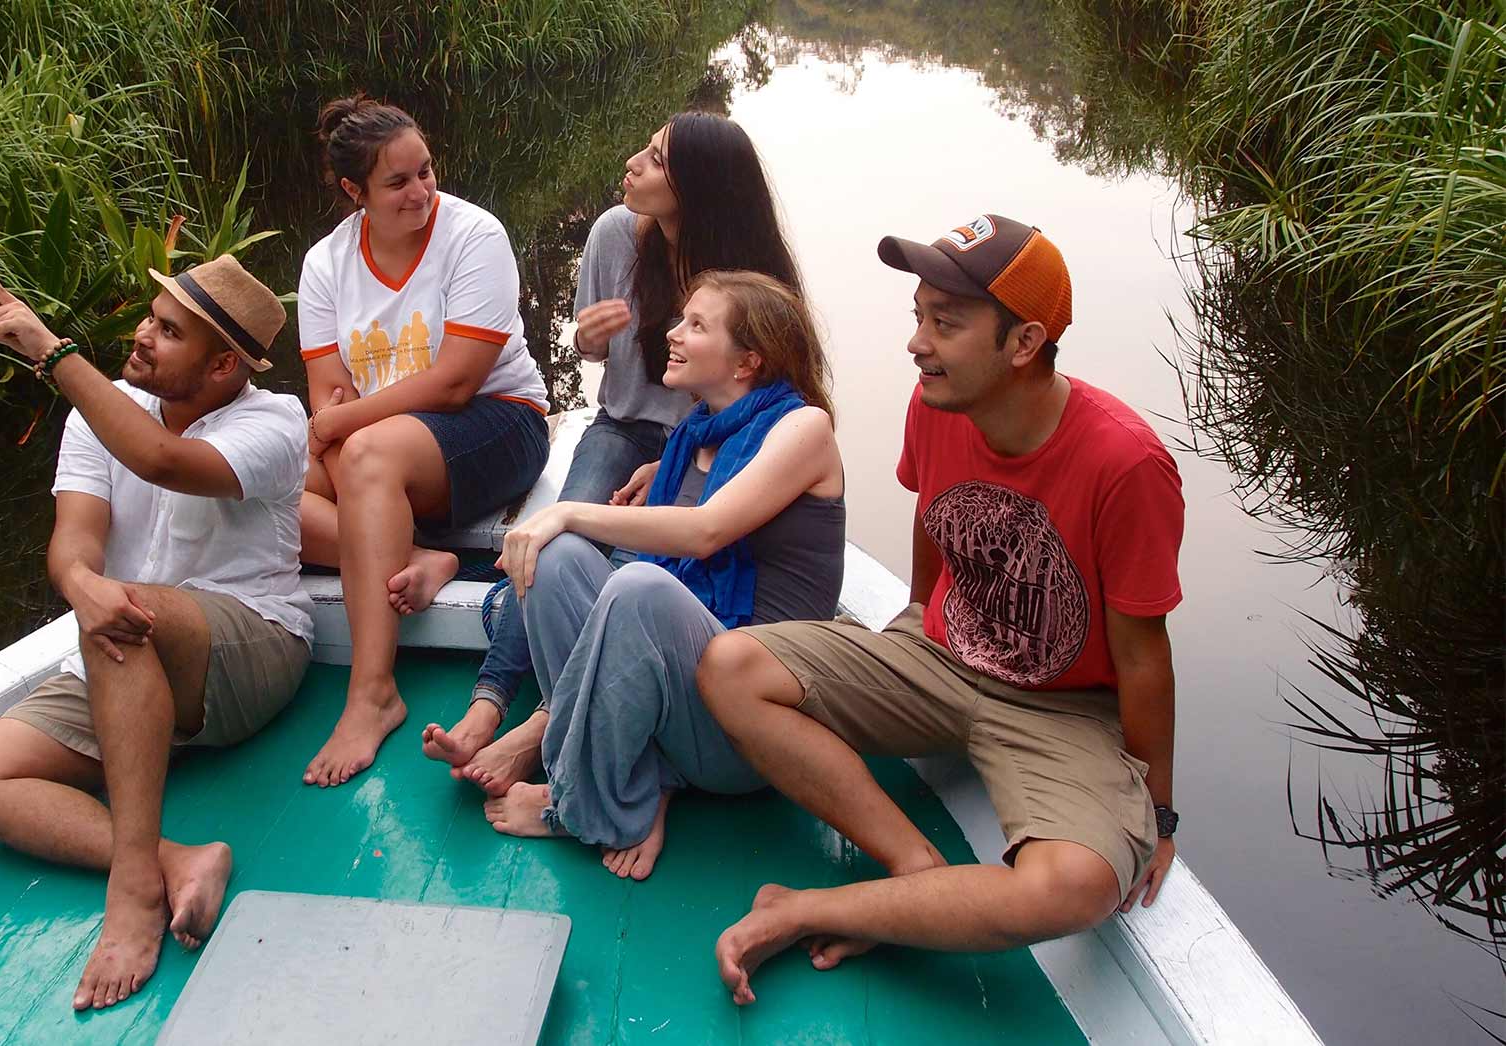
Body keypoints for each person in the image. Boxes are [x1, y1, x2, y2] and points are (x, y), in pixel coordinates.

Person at [698, 215, 1184, 1006]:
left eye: (946, 324)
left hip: (1060, 710)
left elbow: (1143, 657)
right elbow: (938, 521)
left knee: (1072, 886)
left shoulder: (1125, 464)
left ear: (1024, 343)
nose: (918, 343)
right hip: (939, 659)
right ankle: (914, 868)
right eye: (917, 316)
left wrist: (1156, 813)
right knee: (731, 664)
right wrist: (918, 620)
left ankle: (814, 908)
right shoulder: (937, 403)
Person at [0, 258, 314, 1010]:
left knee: (125, 611)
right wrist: (81, 587)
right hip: (126, 654)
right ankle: (175, 860)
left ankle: (131, 891)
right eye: (150, 316)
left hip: (249, 646)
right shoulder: (96, 415)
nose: (142, 336)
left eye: (167, 331)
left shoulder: (275, 422)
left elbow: (162, 459)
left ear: (221, 365)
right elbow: (73, 543)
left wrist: (53, 353)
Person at [421, 111, 805, 786]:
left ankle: (542, 727)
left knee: (634, 556)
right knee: (547, 535)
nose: (632, 163)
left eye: (655, 160)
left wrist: (678, 463)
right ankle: (490, 702)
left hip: (707, 446)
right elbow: (588, 349)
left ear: (699, 188)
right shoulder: (613, 234)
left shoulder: (751, 277)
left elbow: (769, 404)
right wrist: (587, 340)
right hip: (624, 424)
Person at [477, 271, 844, 882]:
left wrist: (565, 508)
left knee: (637, 587)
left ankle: (584, 803)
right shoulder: (693, 437)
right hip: (686, 702)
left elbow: (705, 531)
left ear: (748, 360)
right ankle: (638, 782)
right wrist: (564, 529)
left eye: (697, 326)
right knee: (560, 559)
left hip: (750, 725)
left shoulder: (804, 430)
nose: (672, 334)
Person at [295, 94, 551, 788]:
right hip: (382, 446)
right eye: (398, 182)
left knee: (367, 457)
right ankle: (421, 555)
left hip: (498, 421)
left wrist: (344, 427)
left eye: (426, 172)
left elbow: (455, 382)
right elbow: (327, 388)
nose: (421, 191)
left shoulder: (474, 236)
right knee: (265, 487)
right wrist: (337, 425)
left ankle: (372, 691)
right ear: (355, 192)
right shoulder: (326, 263)